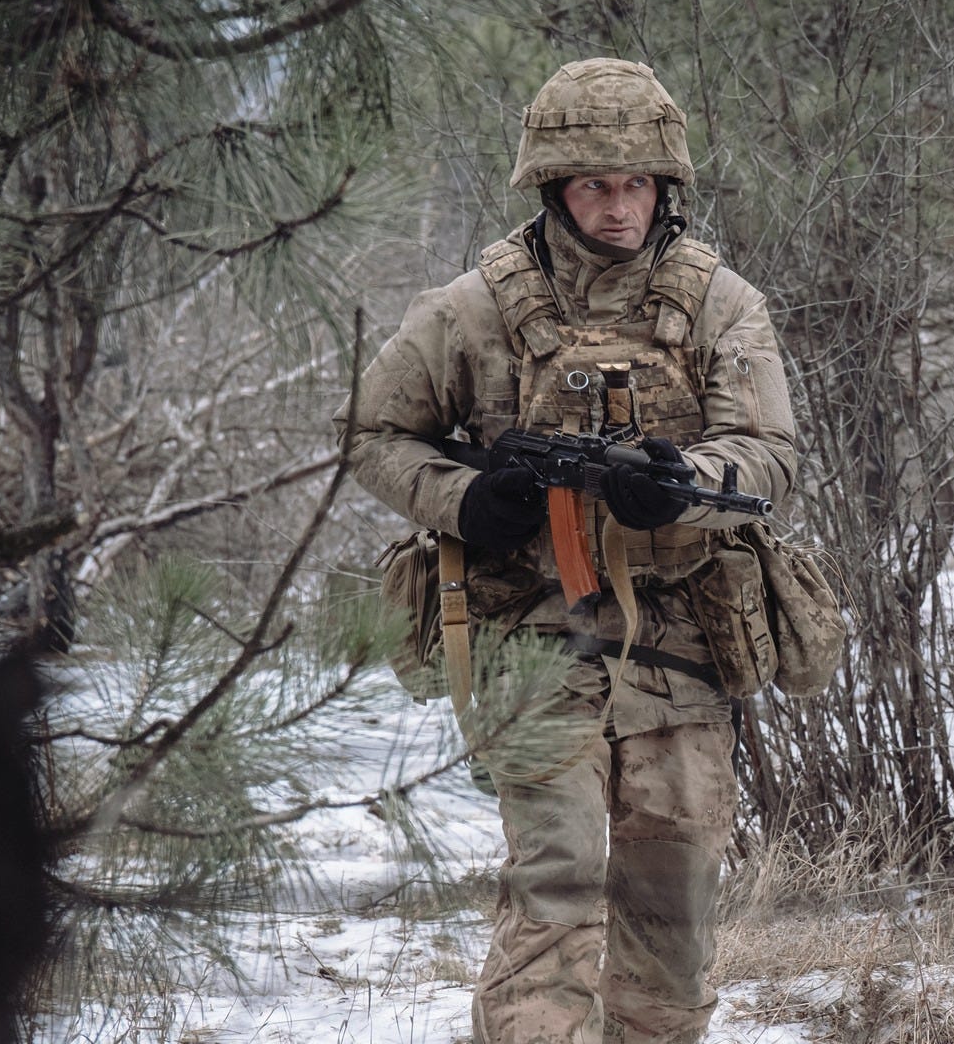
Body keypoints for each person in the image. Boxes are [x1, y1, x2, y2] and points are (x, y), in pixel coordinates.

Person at [337, 58, 797, 1044]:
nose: (619, 207)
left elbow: (768, 453)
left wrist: (682, 481)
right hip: (530, 638)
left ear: (665, 188)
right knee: (554, 893)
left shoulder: (720, 307)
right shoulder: (471, 311)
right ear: (553, 188)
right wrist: (472, 499)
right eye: (595, 185)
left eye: (637, 184)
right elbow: (373, 434)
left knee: (668, 911)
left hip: (681, 639)